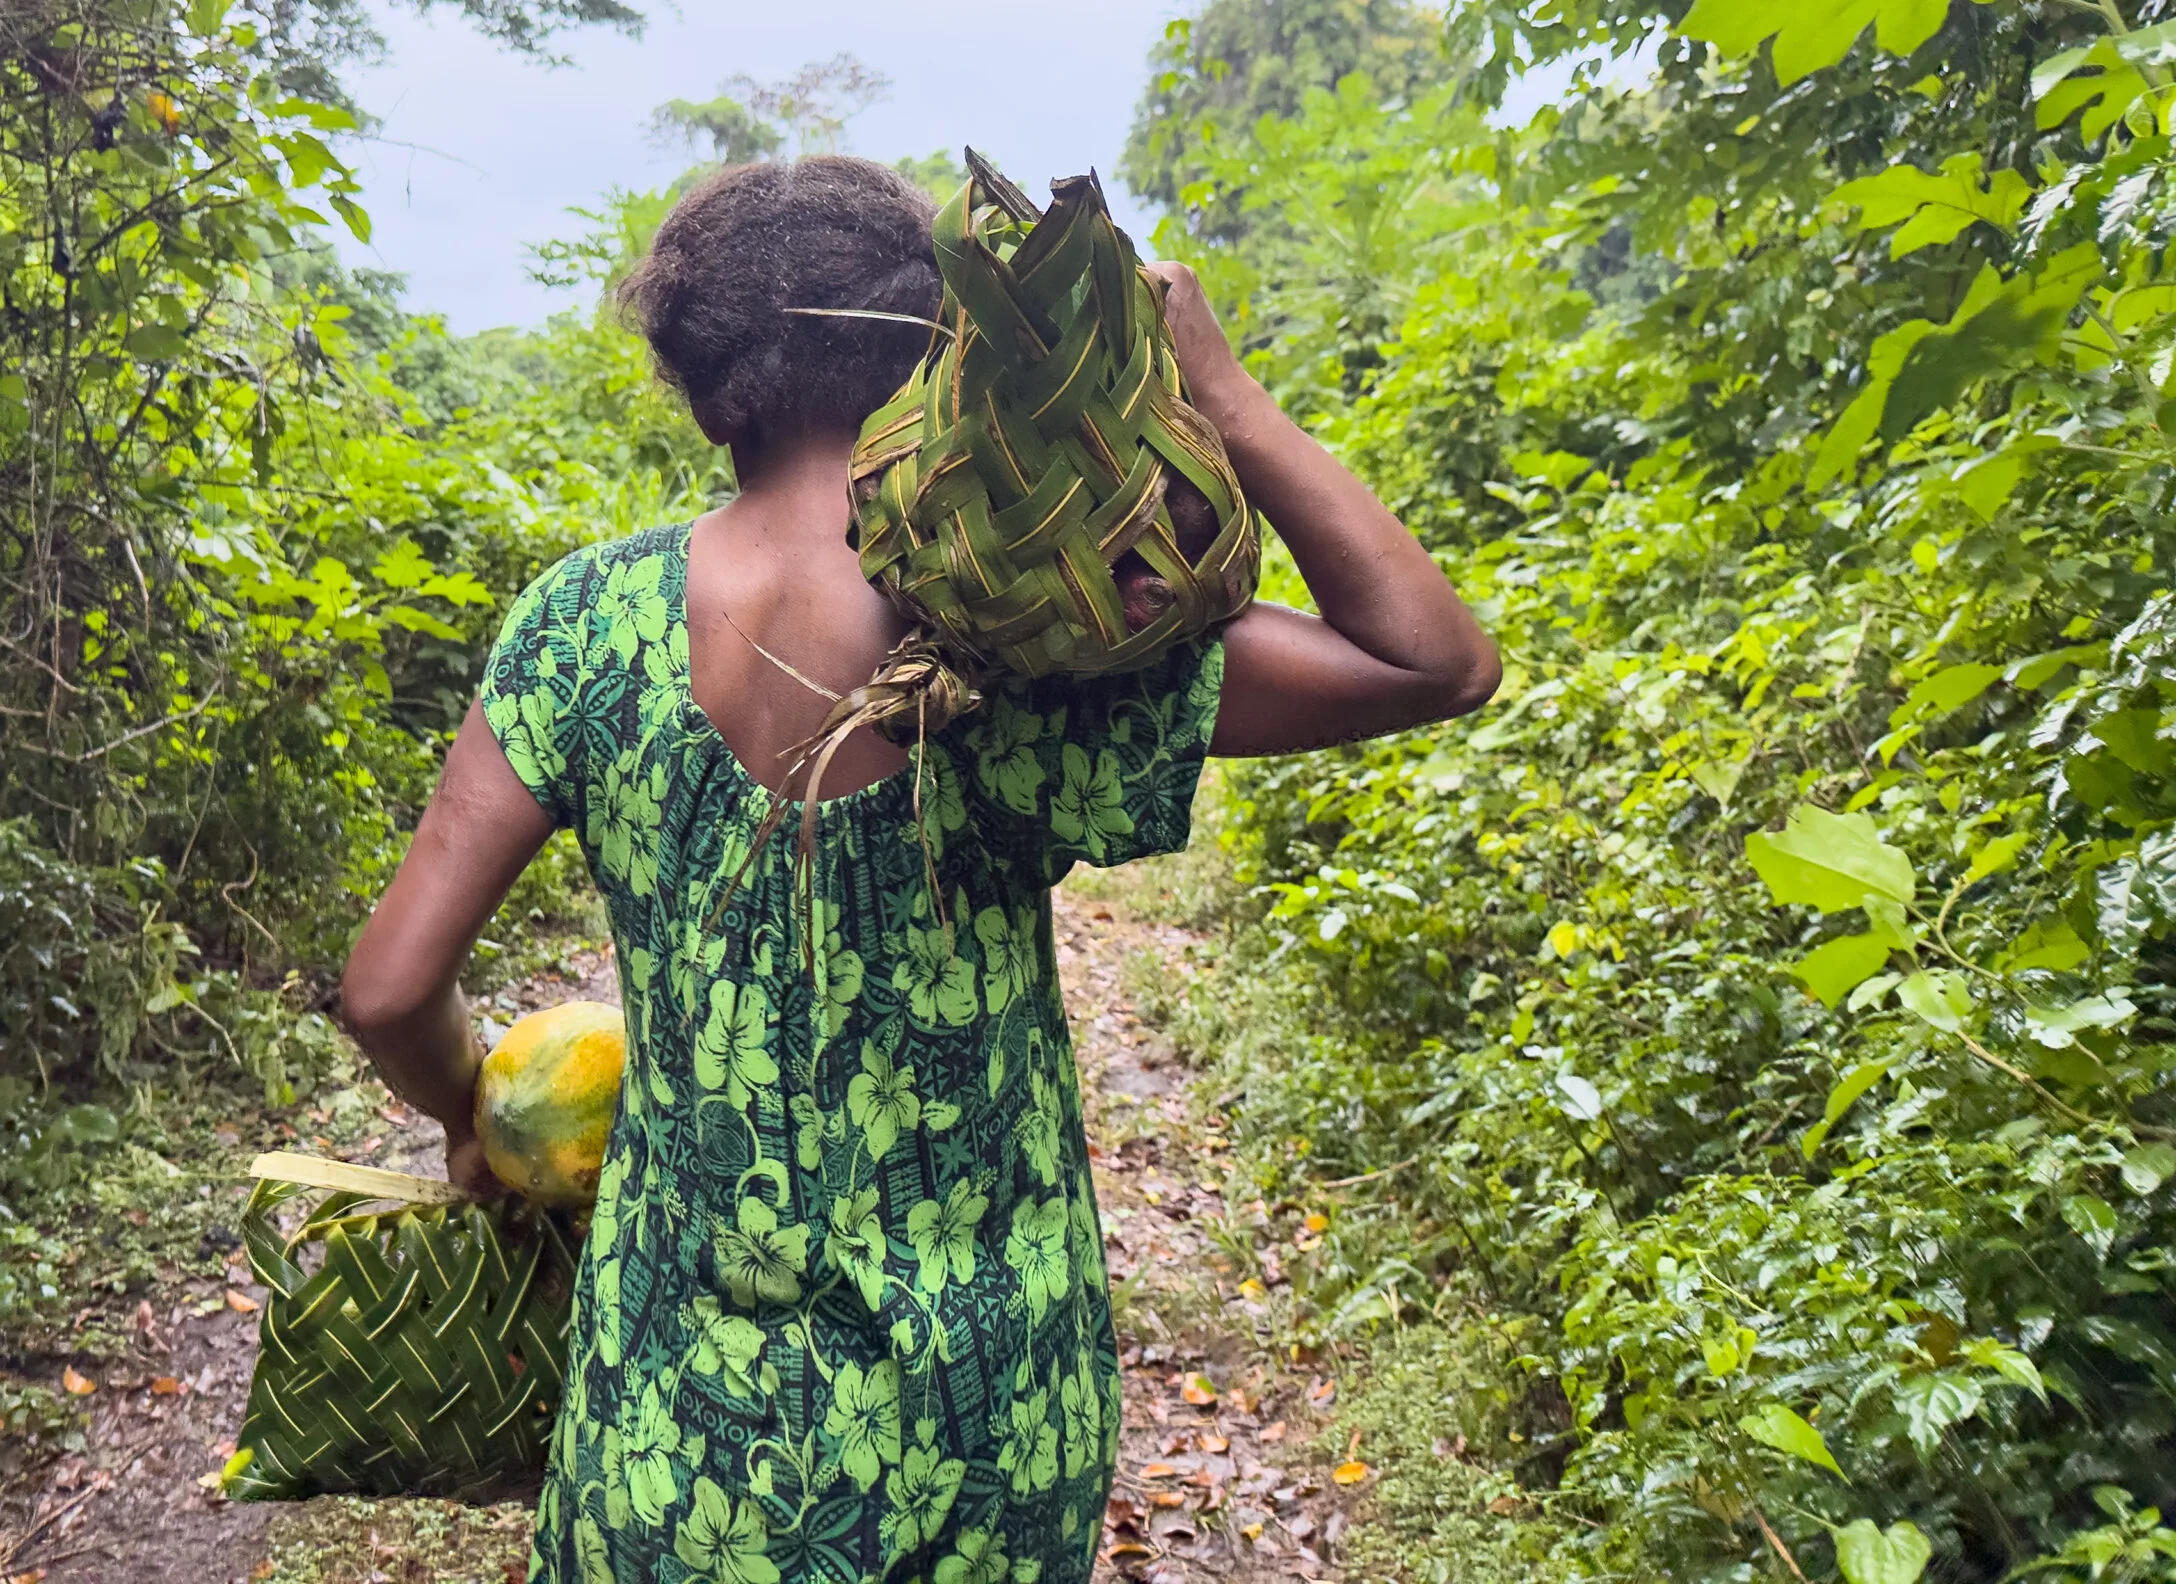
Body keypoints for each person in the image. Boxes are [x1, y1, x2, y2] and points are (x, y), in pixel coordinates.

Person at [341, 157, 1499, 1584]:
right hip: (988, 1419)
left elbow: (390, 988)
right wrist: (1225, 394)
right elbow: (1432, 662)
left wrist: (483, 1120)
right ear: (939, 356)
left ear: (709, 396)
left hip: (680, 1434)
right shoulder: (1029, 627)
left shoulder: (580, 626)